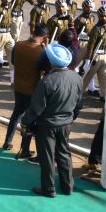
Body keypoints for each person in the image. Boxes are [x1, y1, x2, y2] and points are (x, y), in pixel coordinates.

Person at [22, 43, 83, 198]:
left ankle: (49, 188)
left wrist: (25, 122)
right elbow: (79, 104)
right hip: (65, 123)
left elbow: (36, 108)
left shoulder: (47, 81)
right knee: (64, 153)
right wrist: (70, 118)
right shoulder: (77, 78)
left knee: (47, 157)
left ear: (50, 61)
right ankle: (68, 185)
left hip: (47, 125)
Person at [3, 24, 49, 157]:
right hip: (32, 90)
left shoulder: (18, 45)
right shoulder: (41, 52)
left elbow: (13, 61)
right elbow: (46, 70)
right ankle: (25, 149)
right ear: (45, 38)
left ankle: (7, 142)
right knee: (29, 119)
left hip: (18, 86)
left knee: (16, 115)